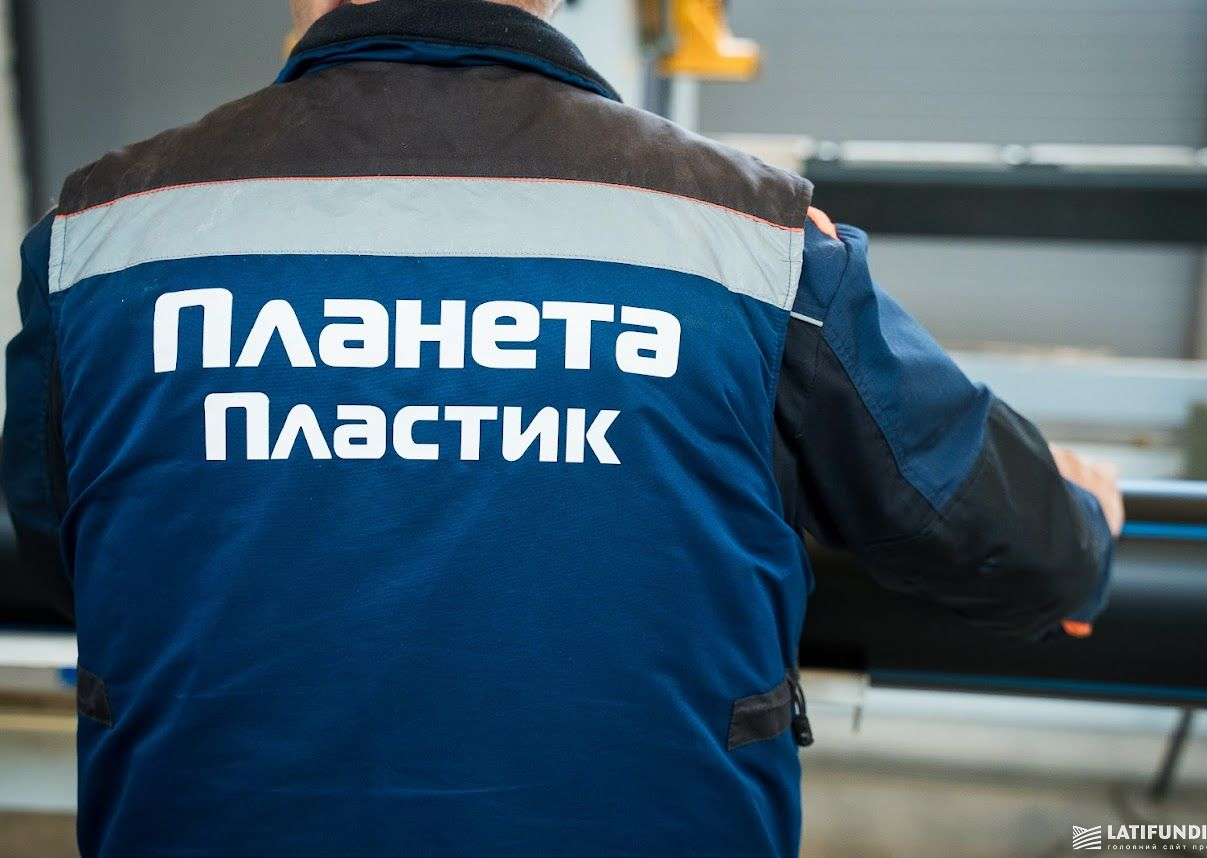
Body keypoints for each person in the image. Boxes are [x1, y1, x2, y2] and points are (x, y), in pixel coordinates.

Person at [1, 0, 1122, 854]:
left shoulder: (105, 234)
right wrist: (1076, 526)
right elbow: (995, 538)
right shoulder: (747, 238)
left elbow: (67, 558)